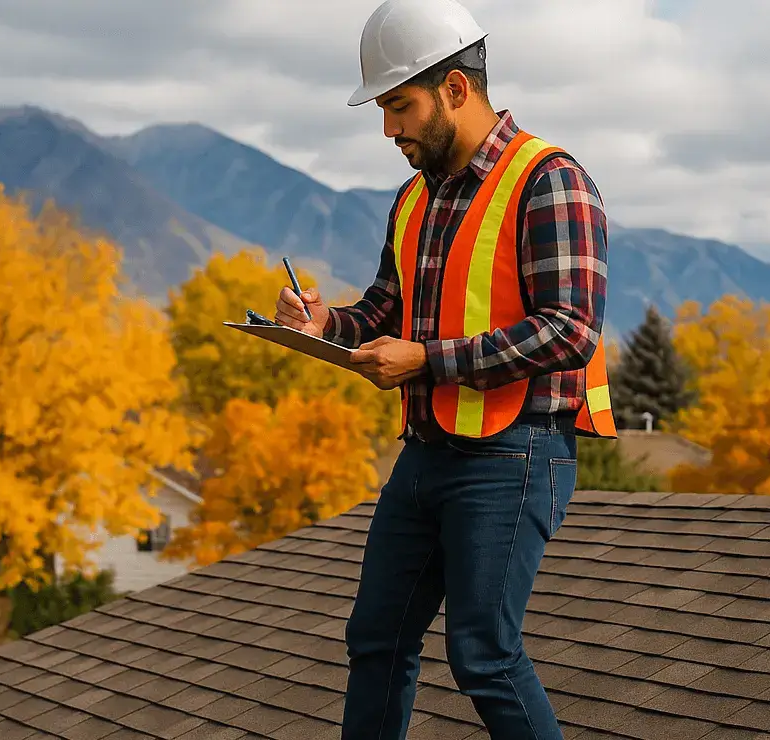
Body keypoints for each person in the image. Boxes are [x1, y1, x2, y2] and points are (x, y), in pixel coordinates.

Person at [274, 0, 617, 736]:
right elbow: (384, 311)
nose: (388, 128)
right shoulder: (414, 198)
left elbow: (571, 332)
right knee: (376, 640)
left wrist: (427, 361)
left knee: (484, 656)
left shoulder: (549, 181)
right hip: (426, 454)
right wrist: (322, 323)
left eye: (399, 105)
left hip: (516, 453)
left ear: (456, 89)